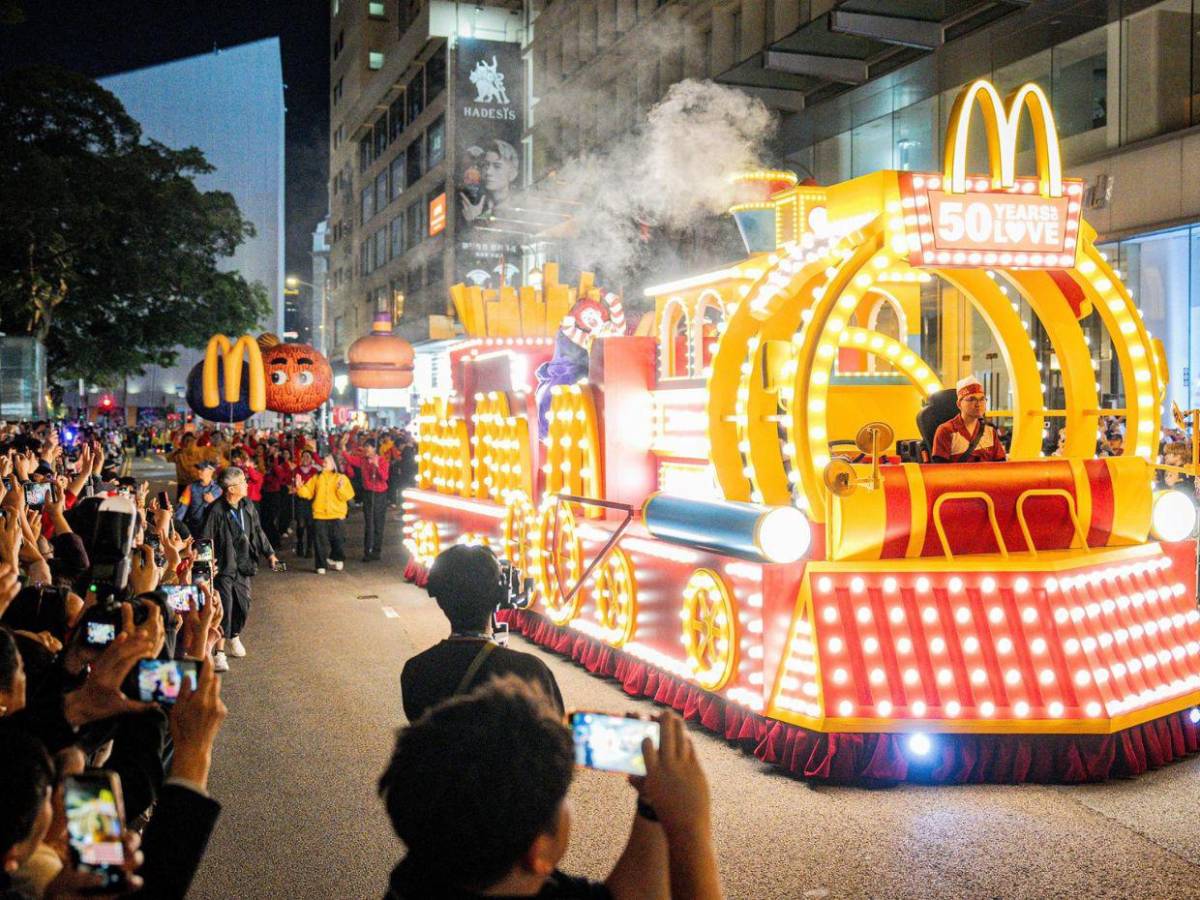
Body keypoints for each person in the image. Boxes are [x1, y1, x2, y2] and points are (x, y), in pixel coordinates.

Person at [379, 677, 723, 899]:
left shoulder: (422, 873)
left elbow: (633, 895)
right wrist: (689, 828)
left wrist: (652, 806)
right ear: (538, 853)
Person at [401, 544, 563, 721]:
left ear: (439, 599)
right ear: (500, 596)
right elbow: (559, 739)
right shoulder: (530, 671)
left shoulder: (416, 671)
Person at [200, 466, 278, 673]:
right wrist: (206, 567)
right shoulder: (215, 511)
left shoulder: (248, 505)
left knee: (243, 605)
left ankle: (234, 636)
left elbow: (258, 532)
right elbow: (205, 540)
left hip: (244, 564)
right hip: (223, 567)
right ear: (231, 489)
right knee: (224, 607)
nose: (246, 484)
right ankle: (219, 653)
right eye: (243, 481)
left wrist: (269, 553)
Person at [295, 455, 355, 575]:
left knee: (338, 539)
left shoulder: (341, 478)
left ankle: (337, 558)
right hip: (320, 515)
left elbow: (347, 496)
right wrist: (299, 487)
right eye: (323, 462)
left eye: (326, 462)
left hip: (337, 515)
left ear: (334, 464)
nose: (323, 463)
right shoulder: (316, 478)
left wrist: (341, 488)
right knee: (319, 542)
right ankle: (320, 565)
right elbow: (307, 493)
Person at [931, 375, 1006, 463]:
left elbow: (1000, 466)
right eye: (971, 399)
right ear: (959, 404)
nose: (978, 404)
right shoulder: (946, 431)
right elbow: (940, 471)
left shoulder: (990, 432)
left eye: (982, 399)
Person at [341, 440, 390, 562]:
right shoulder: (362, 460)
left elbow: (384, 477)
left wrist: (376, 465)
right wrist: (342, 445)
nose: (365, 449)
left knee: (378, 523)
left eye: (368, 447)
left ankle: (376, 551)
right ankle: (367, 551)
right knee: (368, 523)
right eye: (365, 447)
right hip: (368, 494)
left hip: (380, 495)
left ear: (374, 448)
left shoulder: (383, 461)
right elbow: (349, 458)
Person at [174, 460, 222, 536]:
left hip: (213, 528)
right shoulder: (190, 488)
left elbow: (224, 510)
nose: (199, 471)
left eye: (202, 469)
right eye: (198, 469)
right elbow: (182, 508)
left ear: (211, 471)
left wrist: (214, 502)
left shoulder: (219, 489)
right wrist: (175, 526)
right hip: (194, 527)